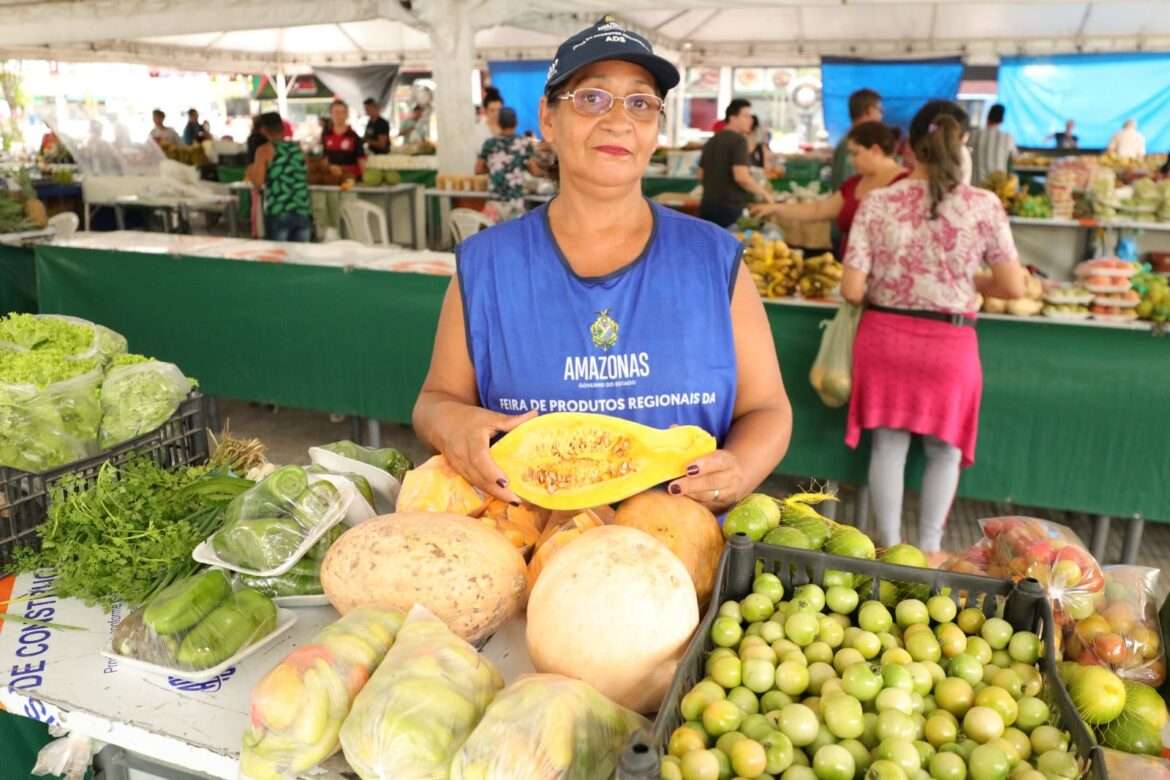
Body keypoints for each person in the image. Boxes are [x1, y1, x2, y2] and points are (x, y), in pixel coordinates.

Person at [412, 16, 793, 512]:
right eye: (592, 98)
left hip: (685, 556)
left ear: (656, 127)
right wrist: (451, 425)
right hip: (529, 558)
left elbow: (767, 408)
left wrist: (740, 468)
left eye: (640, 102)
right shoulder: (487, 265)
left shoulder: (713, 260)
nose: (619, 120)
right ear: (548, 119)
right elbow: (435, 400)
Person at [840, 100, 1027, 554]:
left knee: (887, 446)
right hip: (950, 342)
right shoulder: (982, 205)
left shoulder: (878, 202)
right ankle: (931, 549)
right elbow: (1013, 286)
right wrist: (963, 279)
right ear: (963, 144)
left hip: (884, 337)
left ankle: (888, 548)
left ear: (910, 146)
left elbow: (850, 288)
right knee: (944, 451)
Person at [751, 122, 906, 258]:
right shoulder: (854, 184)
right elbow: (818, 210)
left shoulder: (905, 184)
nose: (851, 160)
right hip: (850, 273)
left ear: (875, 150)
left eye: (855, 153)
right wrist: (775, 208)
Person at [698, 99, 775, 227]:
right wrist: (765, 194)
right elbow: (741, 177)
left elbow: (701, 174)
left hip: (707, 207)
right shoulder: (739, 141)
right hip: (730, 210)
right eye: (746, 116)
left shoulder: (712, 140)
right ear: (732, 118)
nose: (750, 120)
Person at [246, 112, 313, 242]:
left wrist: (251, 170)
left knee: (279, 257)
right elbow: (305, 175)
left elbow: (258, 182)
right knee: (301, 257)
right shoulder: (298, 149)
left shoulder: (264, 150)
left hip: (279, 208)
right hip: (302, 208)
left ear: (263, 130)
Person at [475, 107, 542, 221]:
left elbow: (478, 169)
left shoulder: (489, 144)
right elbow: (535, 171)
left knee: (494, 236)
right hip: (515, 203)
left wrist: (495, 167)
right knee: (515, 237)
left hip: (495, 202)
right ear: (516, 123)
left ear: (499, 123)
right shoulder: (523, 143)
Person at [830, 89, 882, 190]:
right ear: (870, 111)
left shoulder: (850, 141)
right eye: (880, 111)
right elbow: (845, 186)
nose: (881, 117)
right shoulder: (852, 145)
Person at [967, 103, 1017, 186]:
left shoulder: (975, 134)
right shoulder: (1007, 137)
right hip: (998, 187)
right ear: (1002, 120)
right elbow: (1015, 157)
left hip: (977, 184)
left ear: (988, 116)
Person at [322, 99, 364, 179]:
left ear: (347, 114)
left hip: (351, 179)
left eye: (343, 112)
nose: (339, 115)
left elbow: (361, 160)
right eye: (336, 112)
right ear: (331, 114)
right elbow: (325, 158)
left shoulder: (354, 136)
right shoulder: (326, 134)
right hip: (333, 178)